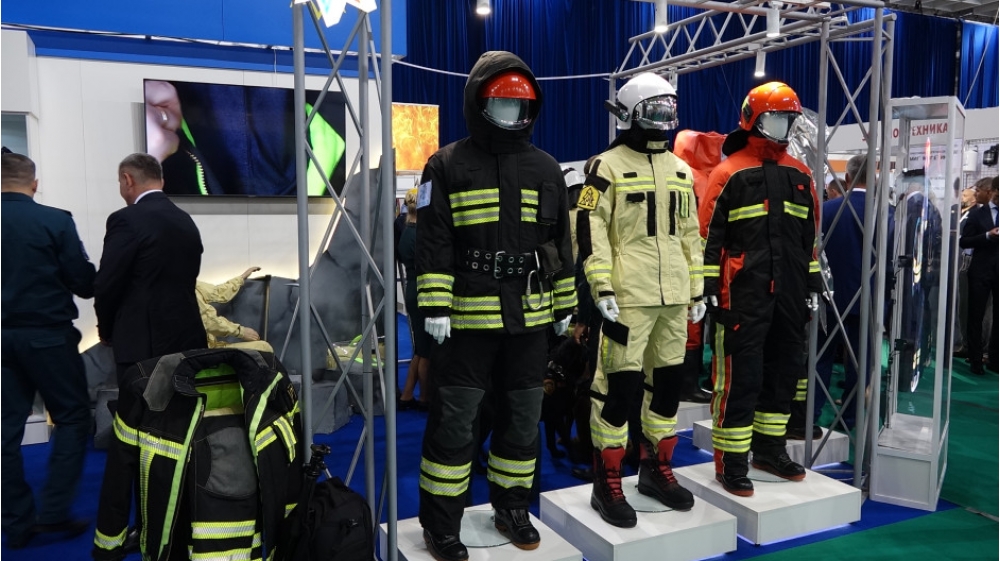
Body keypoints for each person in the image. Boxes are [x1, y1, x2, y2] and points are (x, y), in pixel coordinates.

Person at [414, 51, 576, 561]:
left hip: (529, 320)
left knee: (523, 419)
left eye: (518, 104)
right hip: (465, 322)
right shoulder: (444, 165)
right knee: (455, 422)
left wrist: (565, 305)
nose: (510, 112)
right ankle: (441, 523)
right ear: (477, 102)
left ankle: (512, 507)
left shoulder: (546, 167)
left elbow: (561, 241)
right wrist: (435, 306)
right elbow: (433, 241)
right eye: (500, 102)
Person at [578, 72, 704, 527]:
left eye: (669, 110)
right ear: (630, 112)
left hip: (673, 300)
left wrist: (697, 288)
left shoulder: (681, 171)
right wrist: (601, 286)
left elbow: (691, 235)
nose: (663, 119)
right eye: (654, 110)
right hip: (627, 299)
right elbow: (589, 228)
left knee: (667, 388)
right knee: (617, 389)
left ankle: (655, 470)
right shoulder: (604, 167)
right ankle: (607, 481)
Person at [700, 82, 822, 497]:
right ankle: (732, 462)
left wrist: (812, 280)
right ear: (751, 119)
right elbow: (707, 237)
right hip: (741, 296)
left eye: (789, 118)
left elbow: (809, 238)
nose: (783, 125)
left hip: (789, 294)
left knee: (783, 374)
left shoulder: (800, 174)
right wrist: (708, 286)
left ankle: (770, 450)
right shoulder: (728, 173)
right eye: (775, 117)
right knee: (739, 378)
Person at [1, 153, 96, 549]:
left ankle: (15, 523)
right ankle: (54, 511)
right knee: (73, 418)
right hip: (49, 338)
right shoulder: (55, 221)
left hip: (2, 338)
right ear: (34, 184)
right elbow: (84, 283)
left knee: (5, 431)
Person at [95, 153, 207, 382]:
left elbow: (108, 282)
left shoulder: (125, 219)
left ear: (127, 179)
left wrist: (106, 330)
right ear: (161, 181)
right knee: (183, 402)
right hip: (188, 338)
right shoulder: (185, 219)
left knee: (141, 404)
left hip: (143, 345)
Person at [959, 176, 999, 375]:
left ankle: (995, 359)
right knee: (976, 316)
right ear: (994, 191)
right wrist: (987, 236)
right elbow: (964, 241)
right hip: (980, 272)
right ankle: (975, 360)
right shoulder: (976, 214)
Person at [397, 188, 430, 410]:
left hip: (414, 290)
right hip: (423, 291)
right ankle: (425, 398)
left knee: (420, 349)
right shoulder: (420, 234)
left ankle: (407, 395)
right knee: (426, 351)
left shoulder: (407, 230)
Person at [196, 266, 272, 352]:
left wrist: (242, 277)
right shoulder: (186, 292)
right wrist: (241, 332)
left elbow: (218, 292)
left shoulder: (191, 285)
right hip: (201, 351)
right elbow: (208, 322)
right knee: (263, 348)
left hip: (209, 347)